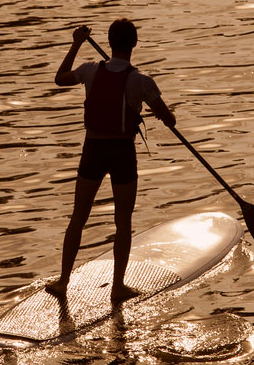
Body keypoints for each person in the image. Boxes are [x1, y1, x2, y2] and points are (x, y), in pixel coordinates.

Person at [46, 19, 176, 302]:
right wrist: (161, 112)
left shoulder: (90, 69)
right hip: (122, 154)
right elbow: (169, 119)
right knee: (123, 222)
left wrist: (76, 44)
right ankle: (117, 286)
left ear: (110, 41)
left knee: (78, 218)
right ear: (134, 44)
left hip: (92, 149)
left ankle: (63, 282)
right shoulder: (141, 81)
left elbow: (60, 78)